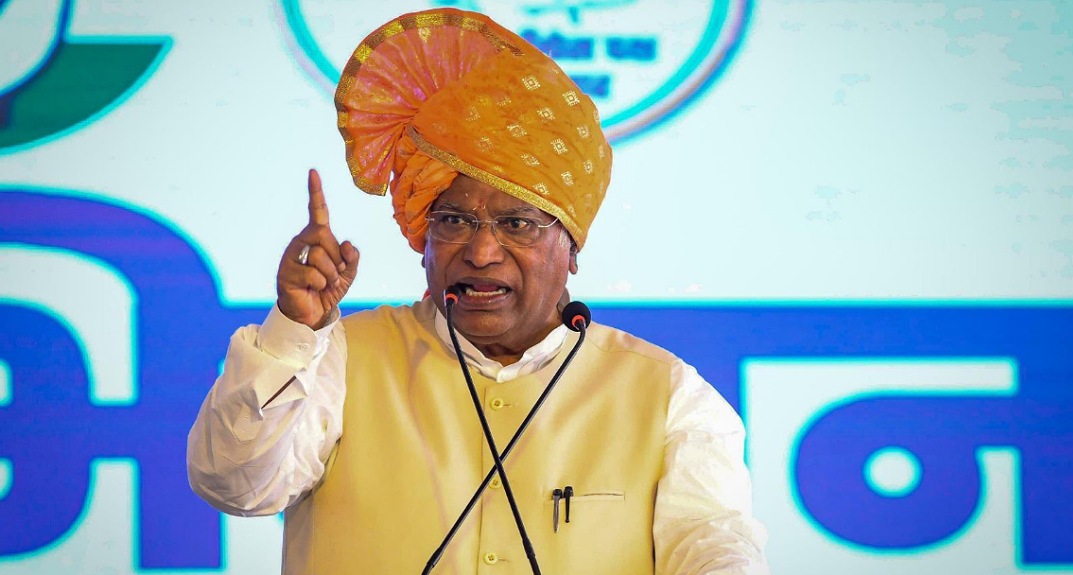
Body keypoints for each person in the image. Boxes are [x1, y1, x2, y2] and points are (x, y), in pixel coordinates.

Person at [187, 7, 769, 574]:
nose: (482, 251)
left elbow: (715, 546)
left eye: (518, 223)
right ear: (424, 239)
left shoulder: (667, 393)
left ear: (571, 248)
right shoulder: (340, 358)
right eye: (454, 221)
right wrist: (293, 332)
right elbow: (235, 486)